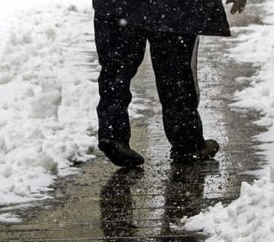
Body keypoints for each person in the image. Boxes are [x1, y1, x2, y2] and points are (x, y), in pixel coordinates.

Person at [93, 0, 247, 167]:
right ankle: (187, 143)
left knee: (116, 70)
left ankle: (112, 132)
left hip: (117, 5)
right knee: (175, 74)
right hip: (174, 8)